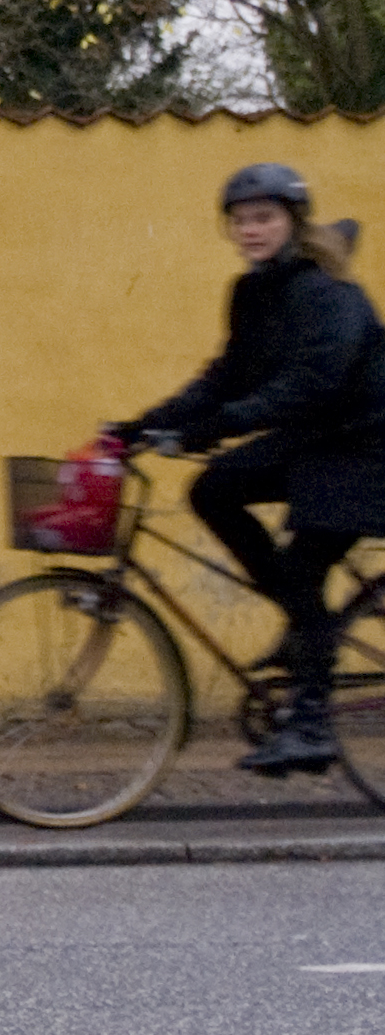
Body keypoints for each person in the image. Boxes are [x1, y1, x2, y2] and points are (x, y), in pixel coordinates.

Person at [112, 163, 385, 775]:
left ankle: (311, 724)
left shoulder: (328, 292)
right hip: (318, 441)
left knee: (304, 567)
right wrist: (140, 426)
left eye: (264, 218)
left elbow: (311, 386)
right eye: (240, 221)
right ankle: (301, 617)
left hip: (367, 448)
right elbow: (226, 377)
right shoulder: (252, 292)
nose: (251, 230)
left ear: (293, 222)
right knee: (214, 487)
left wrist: (219, 424)